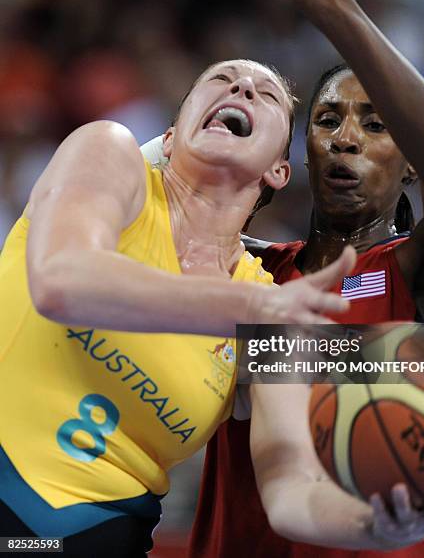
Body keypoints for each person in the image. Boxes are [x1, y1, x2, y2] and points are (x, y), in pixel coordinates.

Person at [186, 0, 424, 556]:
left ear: (409, 167)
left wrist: (327, 1)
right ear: (299, 152)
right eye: (327, 120)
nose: (346, 138)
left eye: (376, 126)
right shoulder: (247, 271)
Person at [0, 57, 358, 558]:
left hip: (99, 539)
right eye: (221, 79)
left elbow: (289, 490)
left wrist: (373, 522)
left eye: (267, 94)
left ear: (279, 170)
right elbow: (62, 281)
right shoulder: (109, 153)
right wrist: (246, 304)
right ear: (170, 138)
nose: (242, 87)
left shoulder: (273, 314)